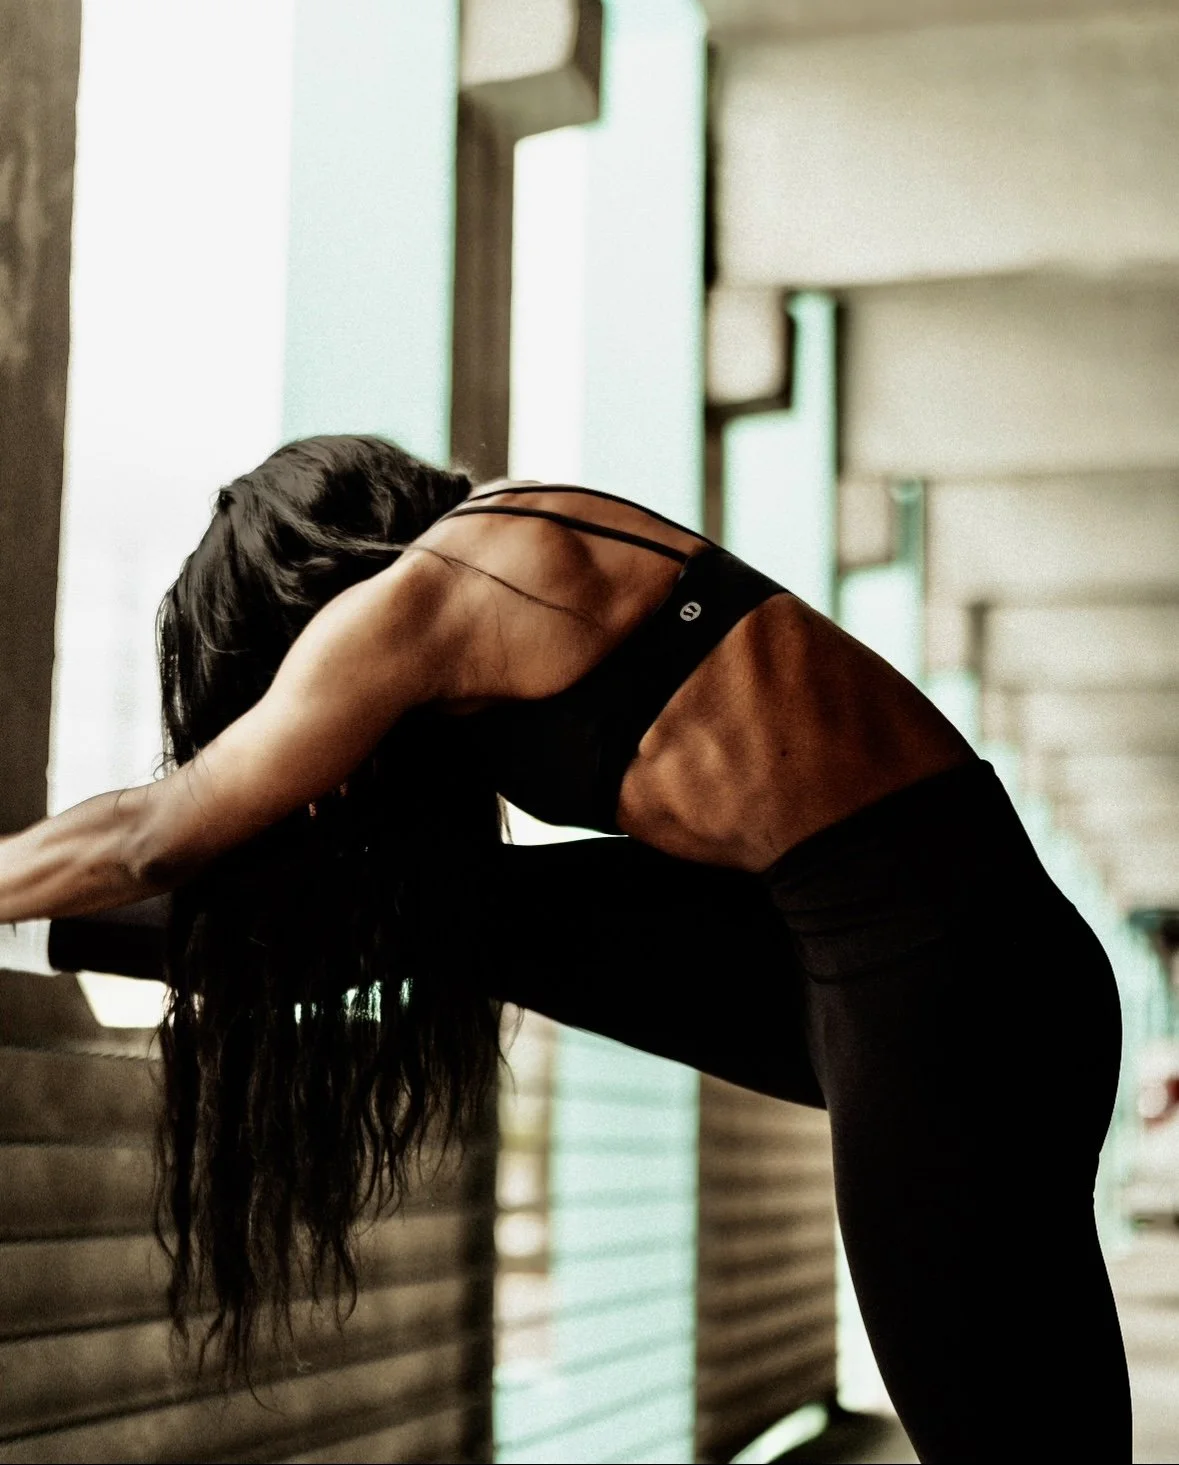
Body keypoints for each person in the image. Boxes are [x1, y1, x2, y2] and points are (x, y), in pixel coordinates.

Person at [0, 434, 1129, 1461]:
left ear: (296, 588)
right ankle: (61, 930)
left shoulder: (418, 598)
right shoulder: (535, 524)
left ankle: (49, 917)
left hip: (935, 984)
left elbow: (153, 832)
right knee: (461, 909)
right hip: (954, 952)